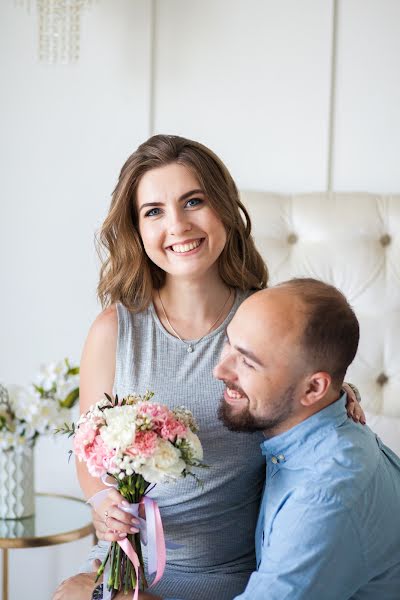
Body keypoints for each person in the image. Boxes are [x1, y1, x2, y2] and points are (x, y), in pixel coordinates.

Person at [53, 136, 363, 600]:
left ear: (223, 209)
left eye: (193, 201)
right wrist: (100, 499)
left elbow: (306, 395)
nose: (177, 225)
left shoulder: (265, 321)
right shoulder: (112, 331)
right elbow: (88, 450)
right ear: (137, 229)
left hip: (224, 574)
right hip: (125, 564)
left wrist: (342, 393)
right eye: (153, 211)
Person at [135, 278, 400, 600]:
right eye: (228, 343)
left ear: (313, 389)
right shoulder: (317, 423)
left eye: (247, 361)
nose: (220, 370)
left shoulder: (324, 495)